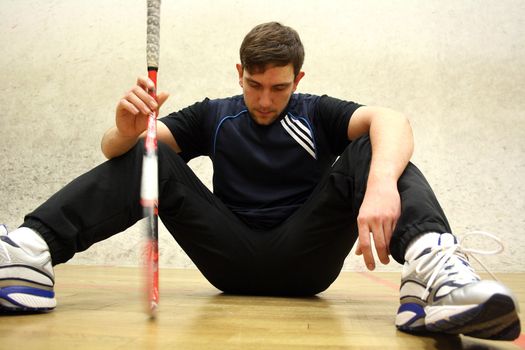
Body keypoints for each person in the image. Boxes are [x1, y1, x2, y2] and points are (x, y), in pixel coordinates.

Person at [0, 22, 520, 341]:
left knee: (373, 147)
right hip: (228, 256)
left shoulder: (316, 113)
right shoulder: (216, 116)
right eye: (254, 85)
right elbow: (122, 155)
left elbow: (393, 119)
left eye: (279, 86)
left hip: (306, 258)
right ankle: (28, 255)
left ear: (298, 78)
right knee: (153, 154)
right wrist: (125, 130)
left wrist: (381, 182)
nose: (266, 100)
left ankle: (436, 273)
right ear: (238, 73)